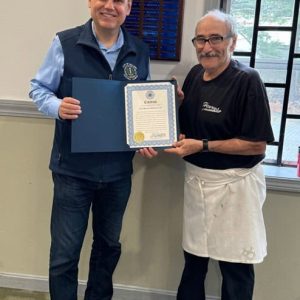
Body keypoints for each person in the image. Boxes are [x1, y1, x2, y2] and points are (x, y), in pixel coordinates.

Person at [29, 0, 151, 299]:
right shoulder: (65, 42)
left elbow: (142, 104)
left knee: (108, 248)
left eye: (120, 1)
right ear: (90, 3)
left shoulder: (139, 49)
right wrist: (58, 106)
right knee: (64, 255)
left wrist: (149, 131)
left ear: (129, 8)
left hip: (118, 173)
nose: (110, 6)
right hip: (72, 171)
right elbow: (38, 89)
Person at [165, 9, 274, 300]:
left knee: (236, 268)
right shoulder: (194, 75)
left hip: (235, 188)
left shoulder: (247, 80)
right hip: (197, 182)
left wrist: (202, 145)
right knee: (194, 262)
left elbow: (256, 145)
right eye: (201, 39)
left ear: (232, 42)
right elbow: (190, 130)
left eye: (216, 38)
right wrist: (170, 114)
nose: (207, 47)